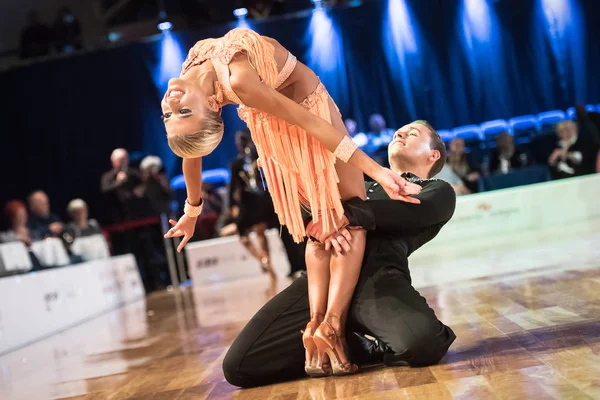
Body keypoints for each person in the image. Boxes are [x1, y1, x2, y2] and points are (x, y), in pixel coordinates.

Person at [161, 28, 420, 374]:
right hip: (301, 119)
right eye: (182, 114)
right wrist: (376, 171)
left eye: (171, 116)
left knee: (326, 226)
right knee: (348, 219)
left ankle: (314, 329)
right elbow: (304, 120)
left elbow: (191, 154)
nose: (172, 107)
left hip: (278, 127)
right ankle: (330, 325)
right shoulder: (237, 82)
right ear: (211, 106)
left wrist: (192, 211)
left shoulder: (190, 67)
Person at [223, 121, 455, 386]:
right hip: (321, 281)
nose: (400, 133)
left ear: (433, 154)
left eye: (413, 133)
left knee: (423, 344)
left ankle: (361, 346)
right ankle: (341, 336)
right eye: (398, 132)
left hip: (377, 280)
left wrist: (341, 216)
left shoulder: (436, 189)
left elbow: (415, 210)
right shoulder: (358, 182)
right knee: (240, 365)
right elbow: (308, 213)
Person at [228, 130, 277, 278]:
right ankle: (264, 259)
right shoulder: (254, 158)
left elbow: (233, 186)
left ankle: (263, 259)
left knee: (247, 233)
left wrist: (232, 205)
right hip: (258, 200)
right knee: (259, 232)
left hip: (251, 201)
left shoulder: (241, 162)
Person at [101, 148, 143, 223]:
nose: (124, 162)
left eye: (125, 159)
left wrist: (141, 189)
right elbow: (105, 191)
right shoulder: (108, 176)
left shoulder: (134, 173)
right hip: (118, 215)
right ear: (113, 162)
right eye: (121, 160)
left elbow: (144, 185)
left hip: (137, 213)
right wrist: (118, 182)